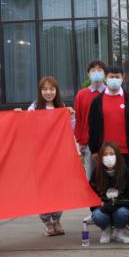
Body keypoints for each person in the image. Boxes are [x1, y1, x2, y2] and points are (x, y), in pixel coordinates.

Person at [27, 75, 75, 236]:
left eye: (51, 89)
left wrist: (71, 116)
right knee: (44, 190)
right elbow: (26, 128)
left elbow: (70, 130)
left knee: (57, 189)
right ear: (40, 91)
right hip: (40, 157)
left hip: (57, 156)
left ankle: (57, 219)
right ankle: (47, 222)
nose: (48, 92)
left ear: (56, 91)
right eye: (45, 89)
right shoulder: (34, 108)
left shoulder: (61, 107)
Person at [87, 65, 129, 166]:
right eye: (111, 77)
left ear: (122, 78)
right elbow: (92, 127)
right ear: (106, 78)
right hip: (105, 153)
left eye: (117, 77)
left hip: (127, 152)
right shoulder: (97, 101)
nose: (114, 79)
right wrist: (94, 150)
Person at [88, 142, 129, 244]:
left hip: (121, 206)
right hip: (103, 207)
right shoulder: (96, 173)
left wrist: (114, 203)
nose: (108, 157)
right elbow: (92, 195)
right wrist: (99, 203)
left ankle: (120, 231)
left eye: (111, 154)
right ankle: (106, 230)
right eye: (105, 154)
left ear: (117, 155)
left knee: (122, 213)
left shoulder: (127, 172)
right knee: (97, 215)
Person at [73, 60, 106, 178]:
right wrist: (80, 141)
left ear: (104, 73)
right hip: (89, 142)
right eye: (93, 70)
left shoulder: (110, 92)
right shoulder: (81, 94)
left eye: (99, 70)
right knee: (90, 175)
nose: (96, 72)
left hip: (108, 140)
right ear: (88, 74)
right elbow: (78, 119)